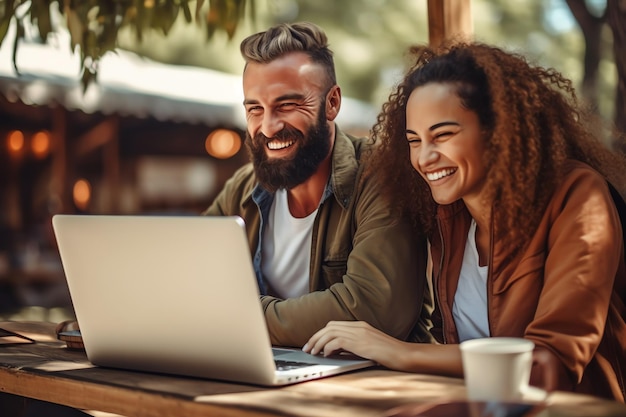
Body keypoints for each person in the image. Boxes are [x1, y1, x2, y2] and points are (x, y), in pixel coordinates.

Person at [303, 41, 626, 402]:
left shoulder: (577, 195)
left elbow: (549, 364)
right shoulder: (449, 216)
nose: (425, 157)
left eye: (443, 135)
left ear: (498, 129)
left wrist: (398, 351)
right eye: (414, 140)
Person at [202, 22, 431, 348]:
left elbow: (372, 308)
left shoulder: (380, 176)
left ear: (332, 103)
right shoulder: (243, 188)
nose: (268, 126)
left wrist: (239, 315)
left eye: (287, 105)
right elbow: (192, 282)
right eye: (255, 109)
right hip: (260, 371)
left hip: (366, 382)